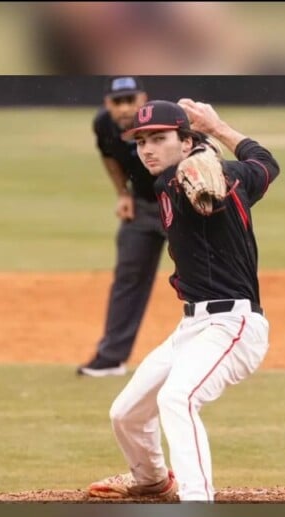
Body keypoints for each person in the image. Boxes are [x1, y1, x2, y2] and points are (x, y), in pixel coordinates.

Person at [86, 99, 279, 502]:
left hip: (233, 326)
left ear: (185, 141)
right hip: (191, 328)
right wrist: (214, 136)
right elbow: (265, 164)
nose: (147, 149)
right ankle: (152, 479)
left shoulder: (211, 177)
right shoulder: (184, 180)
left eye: (159, 138)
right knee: (126, 413)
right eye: (141, 142)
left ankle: (197, 503)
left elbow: (229, 173)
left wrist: (213, 138)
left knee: (178, 398)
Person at [77, 77, 168, 377]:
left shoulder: (164, 121)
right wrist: (123, 193)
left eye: (131, 100)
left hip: (179, 204)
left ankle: (222, 349)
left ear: (143, 99)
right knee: (128, 277)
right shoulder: (104, 124)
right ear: (107, 104)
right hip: (141, 206)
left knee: (202, 276)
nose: (125, 108)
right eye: (118, 102)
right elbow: (109, 157)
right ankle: (111, 357)